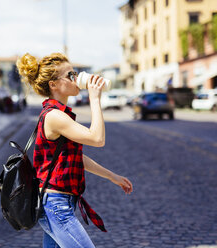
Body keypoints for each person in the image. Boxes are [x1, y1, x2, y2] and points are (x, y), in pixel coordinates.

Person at [16, 53, 133, 248]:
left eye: (75, 73)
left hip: (58, 203)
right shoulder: (54, 116)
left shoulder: (60, 114)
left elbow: (75, 157)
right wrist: (95, 99)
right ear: (53, 84)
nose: (76, 78)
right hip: (56, 206)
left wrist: (112, 176)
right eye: (71, 75)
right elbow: (97, 138)